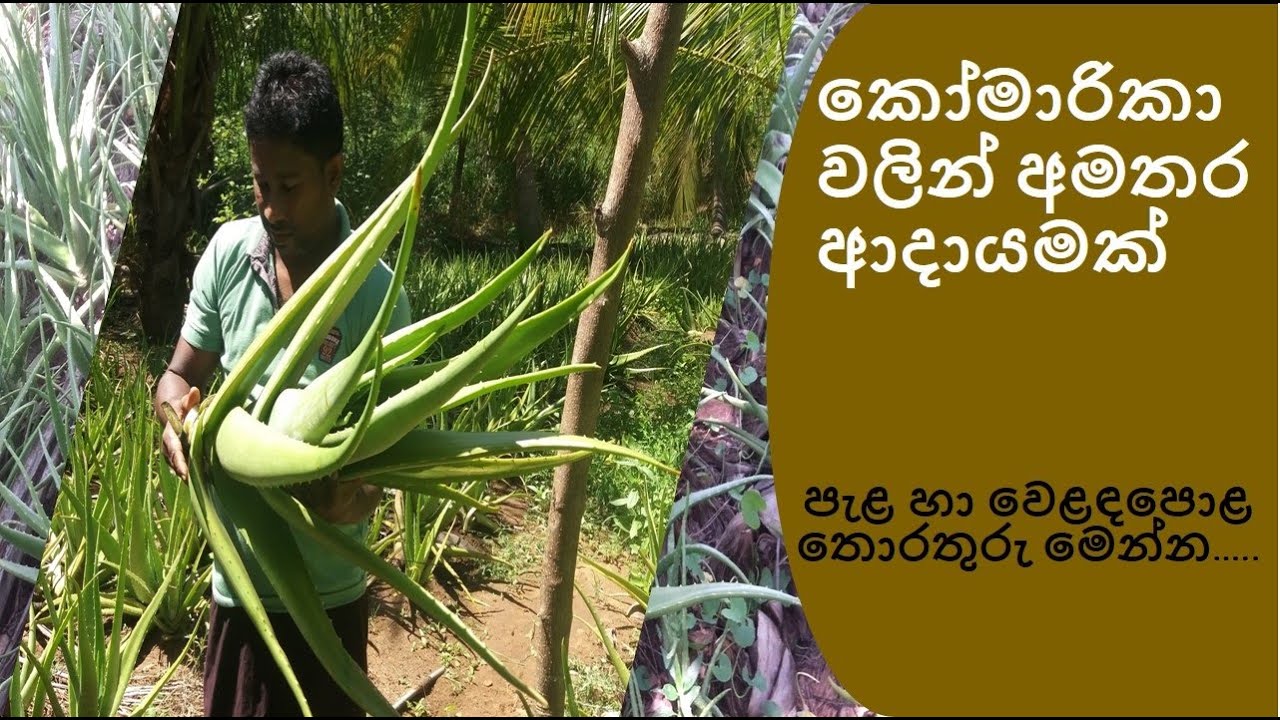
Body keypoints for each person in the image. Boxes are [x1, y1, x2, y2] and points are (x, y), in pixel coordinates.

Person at [153, 50, 411, 717]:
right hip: (240, 592)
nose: (270, 206)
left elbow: (387, 466)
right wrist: (173, 421)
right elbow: (180, 373)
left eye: (288, 186)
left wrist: (348, 503)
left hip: (331, 600)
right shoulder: (229, 256)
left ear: (333, 172)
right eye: (260, 183)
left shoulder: (378, 296)